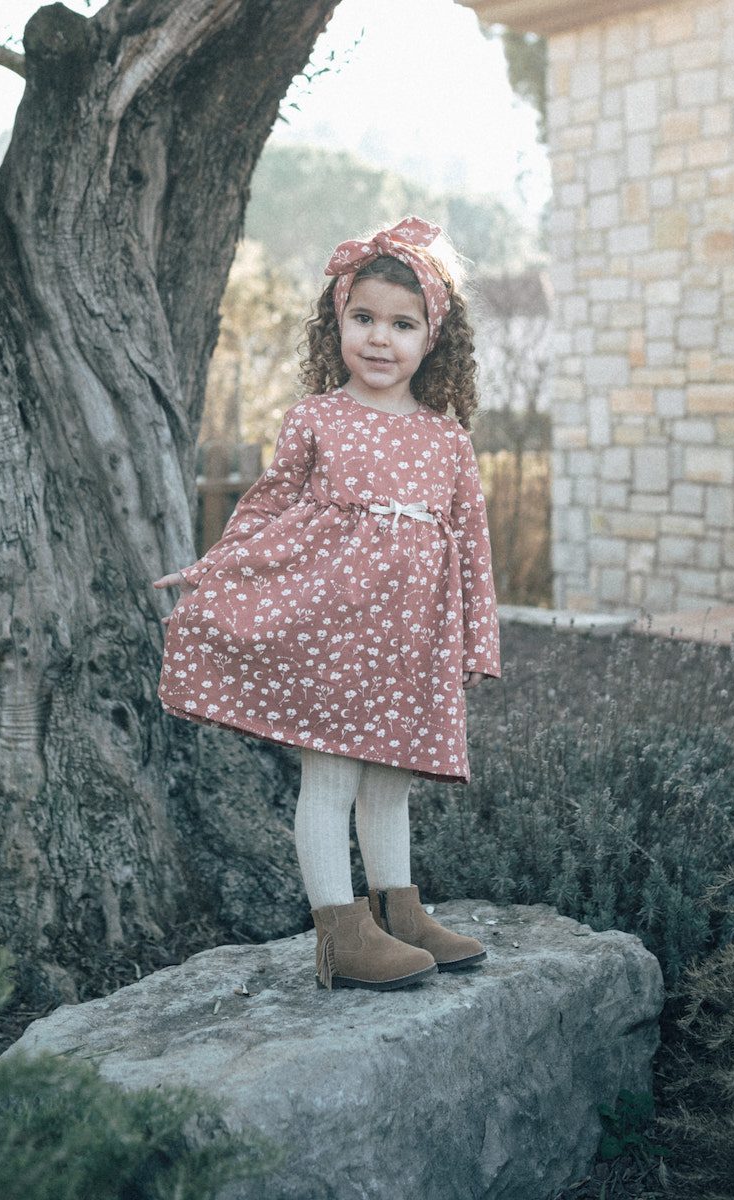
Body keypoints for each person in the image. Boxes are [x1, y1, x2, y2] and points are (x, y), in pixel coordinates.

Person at [151, 216, 502, 992]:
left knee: (391, 779)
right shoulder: (317, 418)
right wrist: (215, 569)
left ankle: (400, 915)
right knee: (334, 777)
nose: (380, 338)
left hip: (410, 642)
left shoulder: (447, 439)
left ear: (433, 338)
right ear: (336, 322)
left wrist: (478, 641)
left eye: (402, 324)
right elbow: (269, 506)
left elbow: (472, 545)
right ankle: (341, 934)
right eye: (363, 317)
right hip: (332, 633)